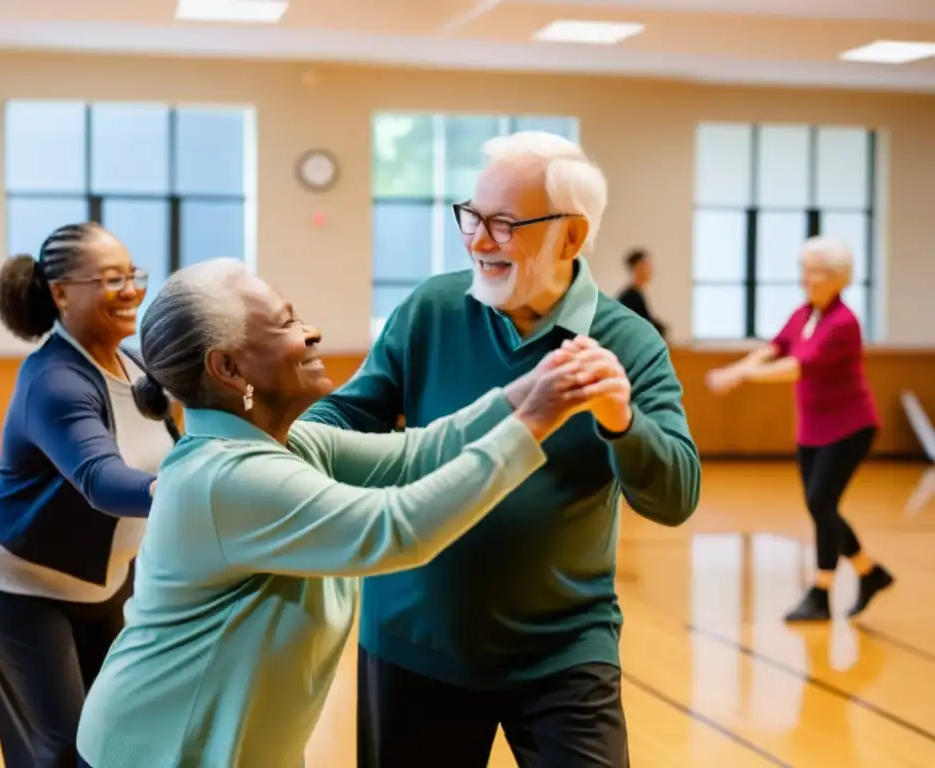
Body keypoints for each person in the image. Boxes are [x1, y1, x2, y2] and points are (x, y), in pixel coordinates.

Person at [75, 258, 609, 768]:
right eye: (287, 323)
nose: (312, 332)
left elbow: (417, 453)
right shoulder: (223, 479)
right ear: (230, 368)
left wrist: (527, 390)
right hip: (162, 751)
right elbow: (398, 528)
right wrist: (533, 423)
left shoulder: (291, 445)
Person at [303, 131, 701, 767]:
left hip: (565, 648)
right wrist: (269, 449)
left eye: (504, 224)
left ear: (571, 236)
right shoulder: (431, 308)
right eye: (473, 217)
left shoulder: (628, 342)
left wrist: (623, 420)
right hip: (413, 639)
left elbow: (677, 495)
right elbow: (343, 418)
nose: (478, 240)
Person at [0, 222, 179, 767]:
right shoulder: (55, 381)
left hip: (104, 575)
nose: (131, 290)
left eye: (133, 275)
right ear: (61, 293)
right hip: (21, 580)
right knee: (61, 745)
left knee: (117, 729)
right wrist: (200, 488)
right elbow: (102, 481)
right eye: (111, 279)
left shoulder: (136, 364)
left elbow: (182, 440)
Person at [706, 235, 893, 623]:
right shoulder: (806, 312)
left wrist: (743, 378)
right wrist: (737, 368)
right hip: (812, 429)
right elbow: (774, 348)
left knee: (820, 504)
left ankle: (821, 592)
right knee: (821, 506)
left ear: (836, 277)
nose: (804, 278)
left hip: (850, 427)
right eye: (803, 270)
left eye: (812, 271)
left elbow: (795, 367)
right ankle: (868, 571)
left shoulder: (844, 323)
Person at [616, 248, 666, 337]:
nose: (650, 271)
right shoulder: (630, 297)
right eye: (647, 266)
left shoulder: (637, 294)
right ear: (638, 268)